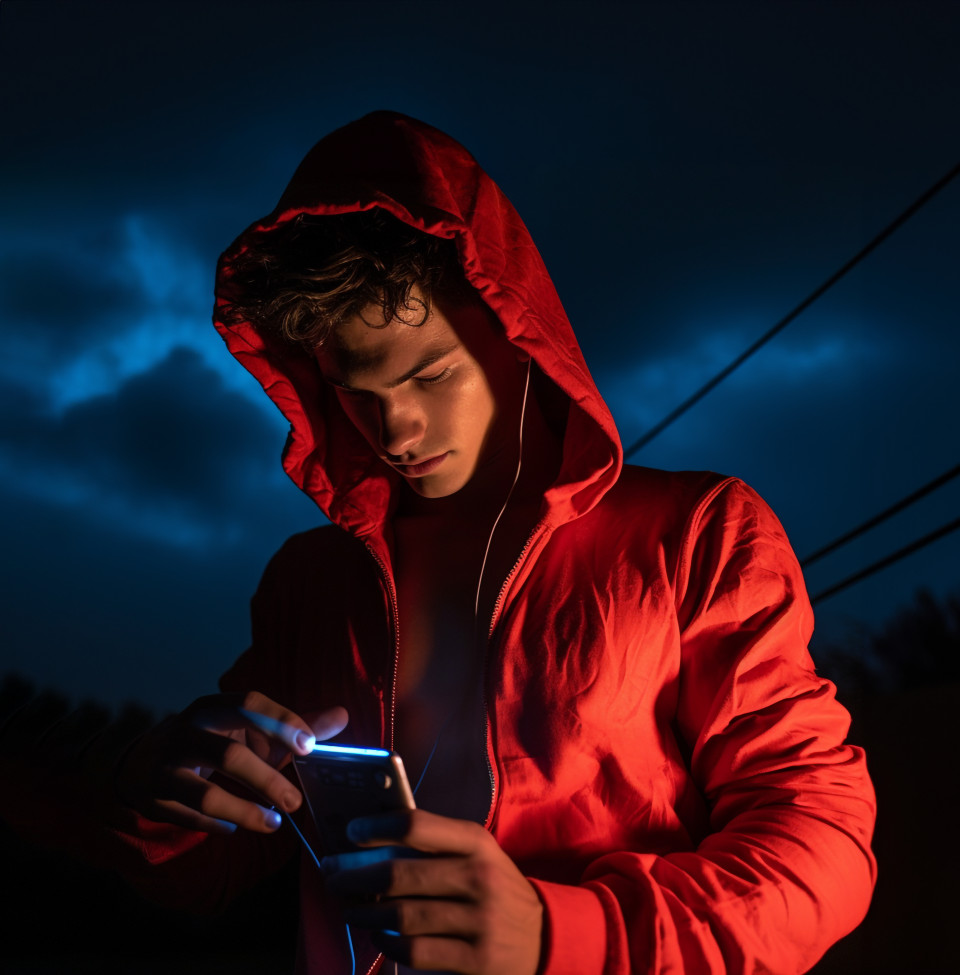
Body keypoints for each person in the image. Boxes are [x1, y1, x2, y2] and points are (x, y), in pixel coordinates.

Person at [3, 111, 876, 975]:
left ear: (517, 333)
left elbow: (820, 849)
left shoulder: (697, 534)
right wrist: (169, 790)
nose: (398, 426)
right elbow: (205, 874)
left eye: (432, 372)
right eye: (354, 389)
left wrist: (559, 932)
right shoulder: (312, 581)